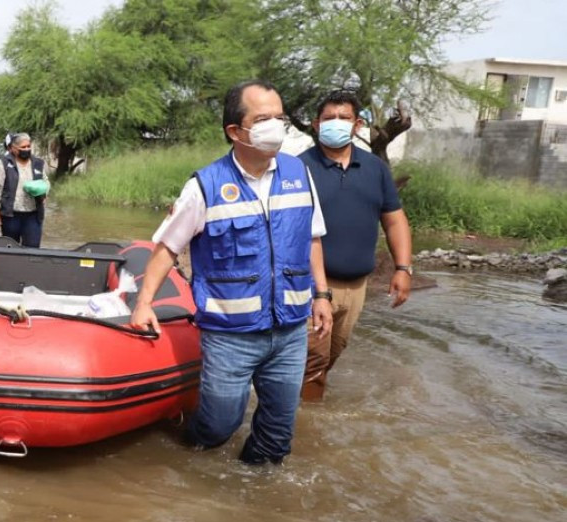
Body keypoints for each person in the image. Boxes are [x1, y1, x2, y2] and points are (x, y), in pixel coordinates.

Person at [129, 80, 333, 465]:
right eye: (263, 119)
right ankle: (189, 456)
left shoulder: (299, 174)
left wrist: (321, 295)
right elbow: (167, 248)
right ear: (236, 131)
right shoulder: (205, 186)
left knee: (277, 435)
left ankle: (254, 492)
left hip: (289, 331)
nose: (276, 127)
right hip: (229, 335)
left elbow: (312, 238)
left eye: (280, 118)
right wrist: (144, 303)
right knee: (219, 426)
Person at [297, 89, 413, 401]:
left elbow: (394, 220)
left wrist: (403, 268)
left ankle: (305, 406)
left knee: (331, 356)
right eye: (328, 118)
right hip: (311, 286)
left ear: (357, 124)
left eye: (344, 117)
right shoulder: (297, 169)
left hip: (357, 288)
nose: (336, 123)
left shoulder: (376, 169)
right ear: (316, 124)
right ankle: (306, 422)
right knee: (312, 362)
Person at [0, 132, 49, 248]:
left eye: (28, 146)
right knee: (10, 249)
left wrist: (43, 192)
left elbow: (45, 182)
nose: (26, 149)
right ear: (13, 148)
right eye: (23, 147)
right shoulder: (5, 163)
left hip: (33, 215)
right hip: (11, 215)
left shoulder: (38, 163)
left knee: (32, 249)